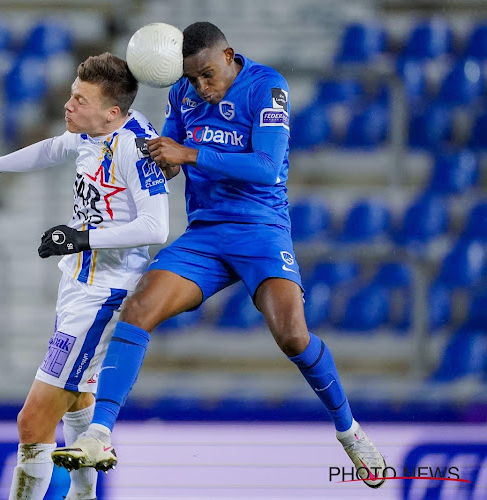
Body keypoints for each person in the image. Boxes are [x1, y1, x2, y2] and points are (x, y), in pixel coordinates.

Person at [52, 22, 388, 489]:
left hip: (261, 230)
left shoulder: (267, 87)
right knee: (139, 308)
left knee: (292, 337)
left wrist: (188, 155)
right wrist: (125, 156)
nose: (201, 87)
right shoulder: (183, 97)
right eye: (190, 79)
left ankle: (349, 431)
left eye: (207, 75)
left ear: (229, 55)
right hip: (206, 233)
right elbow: (165, 160)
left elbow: (267, 169)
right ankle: (101, 434)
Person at [0, 53, 170, 500]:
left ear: (112, 112)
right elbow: (55, 147)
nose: (68, 105)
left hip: (104, 294)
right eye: (71, 94)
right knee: (79, 398)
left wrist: (81, 237)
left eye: (79, 99)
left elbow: (157, 227)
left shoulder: (134, 147)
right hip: (78, 283)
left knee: (32, 420)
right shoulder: (92, 132)